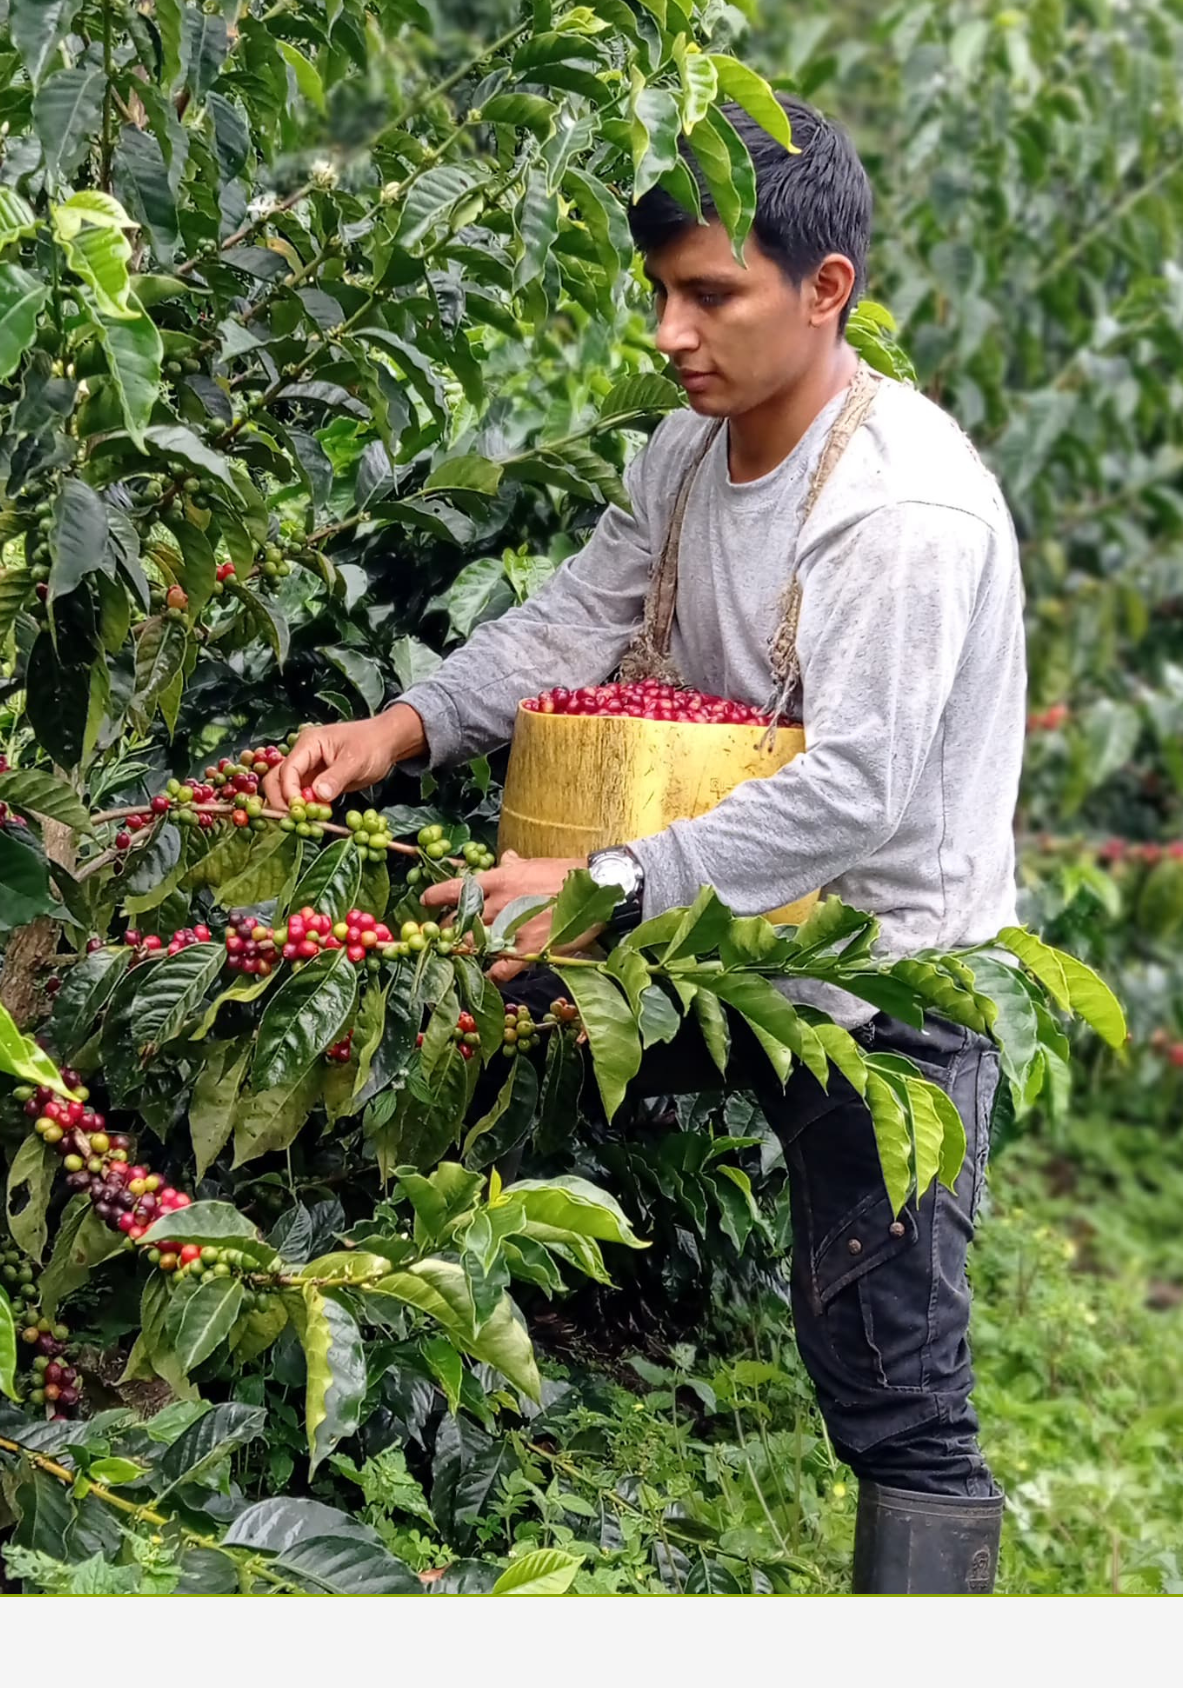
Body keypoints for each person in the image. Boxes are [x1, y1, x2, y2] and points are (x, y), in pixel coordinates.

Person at [260, 96, 1025, 1595]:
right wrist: (398, 729)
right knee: (455, 1013)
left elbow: (856, 791)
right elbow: (575, 623)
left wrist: (605, 886)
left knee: (891, 1376)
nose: (672, 333)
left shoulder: (902, 511)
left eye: (711, 295)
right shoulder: (690, 450)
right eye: (661, 292)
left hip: (884, 989)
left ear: (827, 289)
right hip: (706, 935)